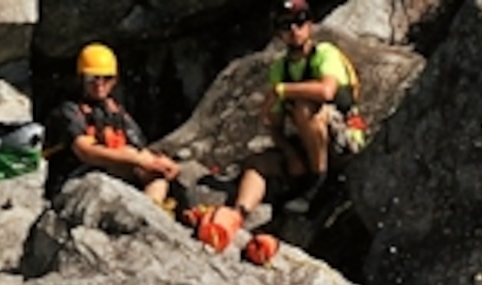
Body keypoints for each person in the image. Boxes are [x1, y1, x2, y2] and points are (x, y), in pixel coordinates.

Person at [51, 43, 270, 253]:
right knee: (132, 157)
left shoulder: (114, 111)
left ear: (114, 80)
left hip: (112, 173)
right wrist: (136, 159)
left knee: (156, 172)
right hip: (77, 178)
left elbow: (140, 148)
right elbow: (85, 151)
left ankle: (150, 216)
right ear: (81, 78)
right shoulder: (69, 110)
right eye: (92, 78)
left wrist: (161, 164)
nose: (99, 84)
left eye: (106, 78)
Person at [262, 0, 359, 203]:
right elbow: (274, 124)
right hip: (309, 143)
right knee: (257, 163)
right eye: (285, 24)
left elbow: (326, 91)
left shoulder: (324, 53)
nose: (294, 29)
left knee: (305, 106)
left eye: (300, 21)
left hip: (343, 138)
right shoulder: (280, 69)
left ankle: (318, 180)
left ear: (310, 24)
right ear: (278, 32)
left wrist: (282, 90)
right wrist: (290, 153)